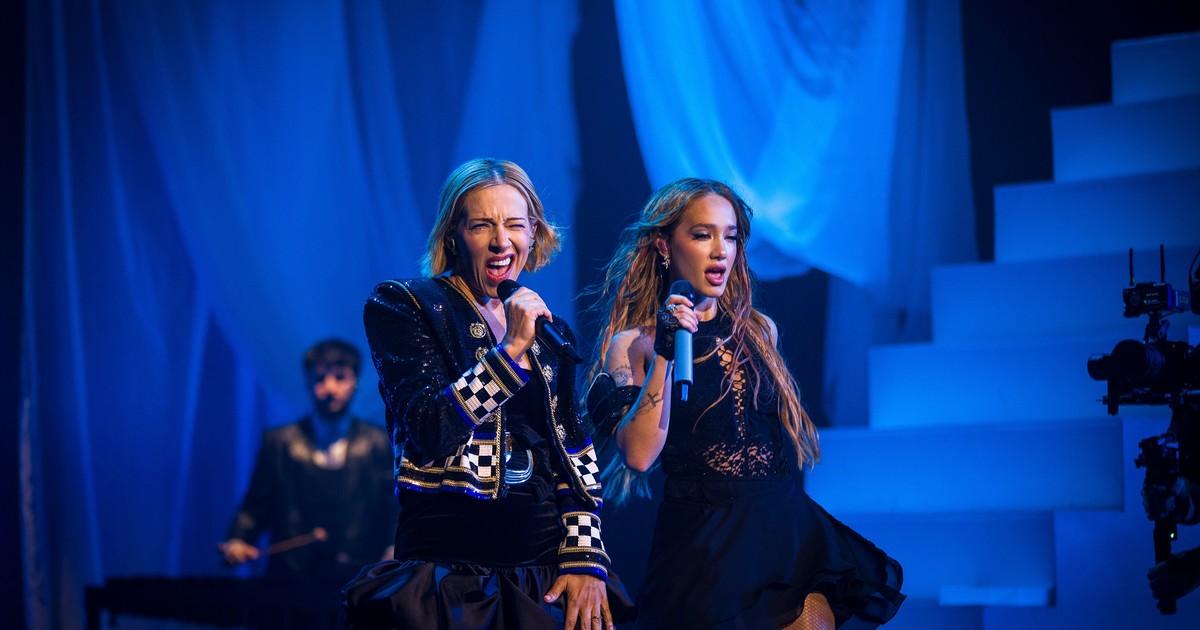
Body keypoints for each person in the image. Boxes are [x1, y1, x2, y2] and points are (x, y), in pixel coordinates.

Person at [584, 178, 905, 629]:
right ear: (664, 245)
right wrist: (666, 355)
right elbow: (638, 456)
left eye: (731, 236)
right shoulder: (635, 344)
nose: (721, 251)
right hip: (705, 544)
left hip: (784, 529)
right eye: (703, 235)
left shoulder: (758, 331)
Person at [342, 158, 633, 630]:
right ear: (452, 235)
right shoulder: (406, 305)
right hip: (448, 577)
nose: (502, 242)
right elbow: (431, 428)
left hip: (541, 575)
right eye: (482, 225)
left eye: (515, 225)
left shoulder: (549, 332)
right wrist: (510, 350)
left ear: (534, 233)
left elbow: (573, 457)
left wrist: (585, 558)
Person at [219, 338, 397, 585]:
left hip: (359, 577)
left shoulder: (378, 442)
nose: (330, 388)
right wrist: (239, 539)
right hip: (291, 577)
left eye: (340, 377)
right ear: (308, 382)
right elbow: (255, 504)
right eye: (320, 378)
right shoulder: (280, 443)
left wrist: (393, 548)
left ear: (355, 382)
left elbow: (392, 506)